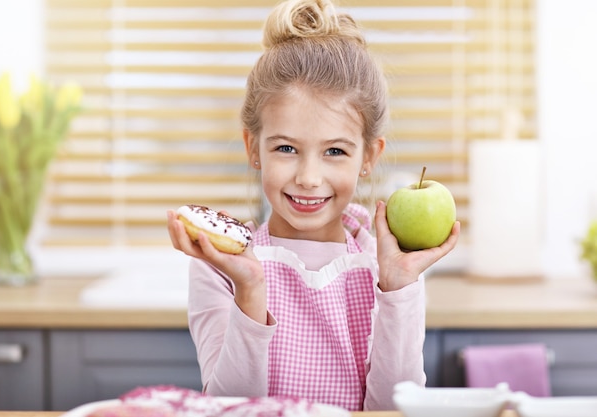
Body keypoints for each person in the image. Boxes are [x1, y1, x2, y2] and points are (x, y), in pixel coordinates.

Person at [167, 0, 460, 411]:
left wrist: (398, 290)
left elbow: (392, 410)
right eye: (286, 147)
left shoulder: (385, 262)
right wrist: (250, 290)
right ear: (254, 148)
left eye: (335, 151)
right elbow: (229, 409)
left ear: (369, 157)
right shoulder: (222, 266)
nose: (308, 176)